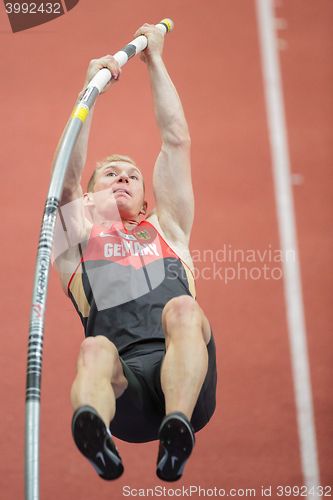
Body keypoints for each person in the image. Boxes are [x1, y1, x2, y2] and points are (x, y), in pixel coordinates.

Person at [54, 23, 217, 482]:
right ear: (88, 198)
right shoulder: (76, 245)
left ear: (147, 200)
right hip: (125, 393)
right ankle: (94, 432)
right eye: (109, 174)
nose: (123, 176)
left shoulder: (168, 228)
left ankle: (177, 430)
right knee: (94, 347)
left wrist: (157, 61)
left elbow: (176, 141)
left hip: (186, 377)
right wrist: (90, 92)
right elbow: (65, 181)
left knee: (184, 309)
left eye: (131, 174)